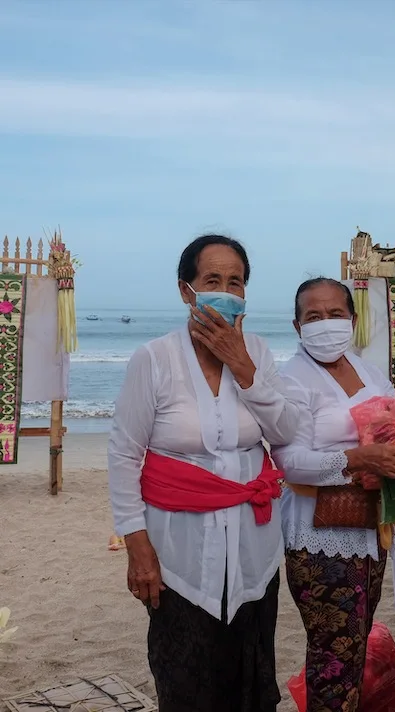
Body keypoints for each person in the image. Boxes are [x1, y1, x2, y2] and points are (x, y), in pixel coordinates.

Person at [108, 234, 299, 712]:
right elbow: (124, 454)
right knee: (186, 680)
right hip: (178, 557)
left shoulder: (257, 351)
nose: (225, 290)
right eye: (212, 279)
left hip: (253, 552)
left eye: (236, 282)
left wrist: (243, 366)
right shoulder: (154, 359)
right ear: (186, 291)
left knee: (252, 679)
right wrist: (138, 547)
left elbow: (286, 430)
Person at [272, 277, 395, 712]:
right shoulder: (292, 380)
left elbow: (394, 421)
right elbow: (289, 462)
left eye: (335, 314)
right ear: (297, 325)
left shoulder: (366, 369)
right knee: (332, 655)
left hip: (369, 526)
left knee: (355, 645)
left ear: (353, 319)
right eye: (313, 317)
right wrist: (360, 459)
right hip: (318, 533)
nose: (326, 324)